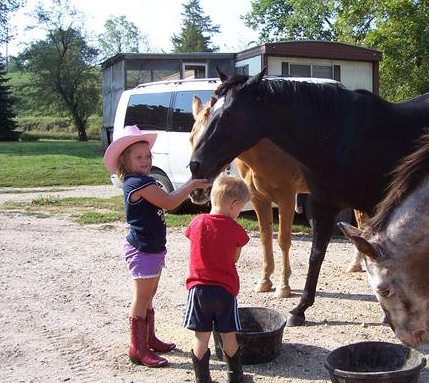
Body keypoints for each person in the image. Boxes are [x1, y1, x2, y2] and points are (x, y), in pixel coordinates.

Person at [103, 125, 211, 368]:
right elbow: (170, 202)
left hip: (151, 247)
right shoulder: (136, 184)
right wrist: (192, 184)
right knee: (141, 298)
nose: (145, 160)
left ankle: (149, 339)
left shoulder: (144, 180)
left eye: (148, 156)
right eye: (138, 157)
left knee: (149, 295)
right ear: (125, 161)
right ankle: (137, 348)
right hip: (142, 249)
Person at [183, 175, 251, 383]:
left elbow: (194, 247)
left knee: (201, 337)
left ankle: (202, 378)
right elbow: (234, 258)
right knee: (228, 335)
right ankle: (235, 377)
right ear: (234, 205)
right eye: (240, 209)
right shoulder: (236, 229)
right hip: (225, 291)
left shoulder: (196, 222)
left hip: (198, 290)